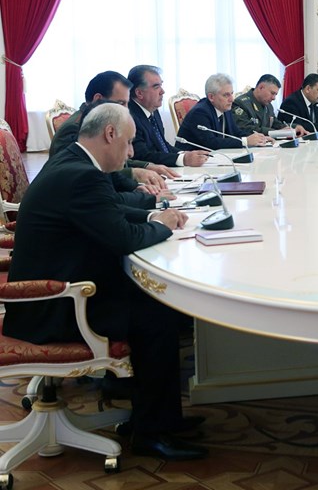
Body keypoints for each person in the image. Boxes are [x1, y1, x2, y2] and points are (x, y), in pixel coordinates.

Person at [3, 103, 207, 460]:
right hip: (54, 305)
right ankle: (152, 432)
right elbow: (123, 238)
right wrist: (163, 226)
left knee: (154, 306)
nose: (130, 153)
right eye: (128, 143)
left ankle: (157, 419)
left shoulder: (72, 162)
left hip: (56, 287)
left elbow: (108, 210)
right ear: (109, 134)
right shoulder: (82, 176)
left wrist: (153, 215)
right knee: (158, 317)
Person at [49, 71, 176, 194]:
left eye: (127, 103)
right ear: (98, 100)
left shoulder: (99, 122)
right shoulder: (75, 128)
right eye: (121, 103)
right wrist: (133, 173)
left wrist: (146, 166)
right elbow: (86, 171)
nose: (126, 110)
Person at [128, 65, 209, 167]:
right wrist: (183, 160)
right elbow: (142, 155)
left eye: (161, 85)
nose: (162, 91)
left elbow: (162, 145)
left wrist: (184, 154)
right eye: (156, 87)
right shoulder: (129, 117)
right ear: (139, 93)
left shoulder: (153, 110)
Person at [176, 73, 272, 151]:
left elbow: (236, 132)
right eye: (226, 95)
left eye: (231, 93)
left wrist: (258, 138)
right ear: (211, 97)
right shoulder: (200, 112)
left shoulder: (224, 108)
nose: (231, 99)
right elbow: (211, 143)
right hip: (191, 164)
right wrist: (246, 141)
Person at [233, 74, 307, 137]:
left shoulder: (268, 106)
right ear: (261, 87)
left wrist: (294, 127)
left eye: (275, 94)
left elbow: (276, 124)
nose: (274, 98)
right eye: (272, 93)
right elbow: (245, 128)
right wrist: (275, 132)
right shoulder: (241, 103)